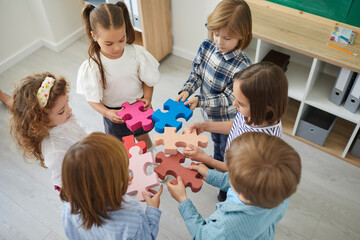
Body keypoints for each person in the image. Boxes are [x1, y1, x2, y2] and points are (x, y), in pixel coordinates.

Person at [175, 0, 252, 201]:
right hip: (208, 115)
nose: (219, 41)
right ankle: (213, 164)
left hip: (229, 122)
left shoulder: (243, 67)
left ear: (242, 36)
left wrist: (200, 100)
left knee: (228, 153)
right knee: (216, 145)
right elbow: (197, 73)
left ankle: (225, 186)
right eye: (216, 34)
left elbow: (229, 97)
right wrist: (187, 90)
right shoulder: (207, 46)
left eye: (227, 37)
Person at [167, 132, 301, 240]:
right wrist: (210, 175)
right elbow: (236, 181)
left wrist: (183, 200)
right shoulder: (280, 193)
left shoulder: (225, 227)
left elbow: (202, 236)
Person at [77, 2, 160, 151]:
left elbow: (148, 80)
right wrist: (106, 113)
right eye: (108, 43)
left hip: (139, 107)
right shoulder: (93, 65)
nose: (116, 48)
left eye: (121, 40)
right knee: (123, 148)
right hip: (115, 115)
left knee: (144, 139)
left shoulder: (137, 54)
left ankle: (152, 164)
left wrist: (148, 98)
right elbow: (92, 99)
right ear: (94, 36)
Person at [184, 61, 288, 176]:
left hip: (240, 180)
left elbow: (233, 170)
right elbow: (237, 126)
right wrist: (205, 126)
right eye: (235, 98)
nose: (234, 103)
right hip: (231, 158)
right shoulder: (253, 113)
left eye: (241, 103)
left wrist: (205, 159)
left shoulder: (260, 145)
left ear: (266, 107)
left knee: (226, 191)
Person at [60, 132, 163, 239]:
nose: (127, 174)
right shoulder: (131, 214)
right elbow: (147, 238)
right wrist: (152, 210)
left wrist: (115, 184)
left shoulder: (67, 208)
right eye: (124, 171)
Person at [9, 72, 87, 191]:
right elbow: (72, 186)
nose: (70, 110)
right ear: (40, 120)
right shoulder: (55, 153)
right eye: (61, 111)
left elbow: (78, 130)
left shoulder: (63, 119)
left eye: (67, 103)